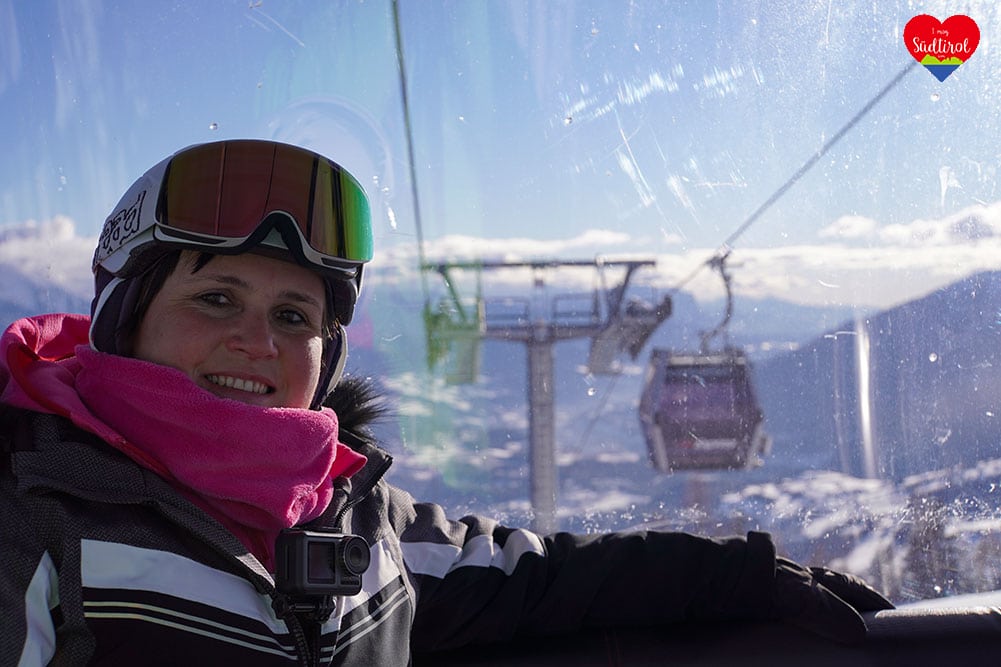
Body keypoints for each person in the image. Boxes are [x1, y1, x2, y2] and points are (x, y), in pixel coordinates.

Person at [0, 139, 893, 666]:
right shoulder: (36, 515)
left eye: (294, 316)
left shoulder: (365, 529)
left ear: (327, 354)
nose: (257, 340)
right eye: (216, 298)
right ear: (123, 319)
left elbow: (541, 574)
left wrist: (739, 573)